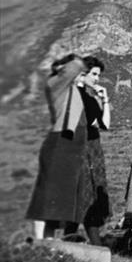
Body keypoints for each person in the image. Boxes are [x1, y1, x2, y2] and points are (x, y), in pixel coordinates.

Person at [26, 55, 89, 240]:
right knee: (47, 194)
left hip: (71, 149)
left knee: (60, 198)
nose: (80, 76)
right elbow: (76, 65)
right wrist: (66, 62)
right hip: (59, 144)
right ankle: (39, 240)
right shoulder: (56, 85)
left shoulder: (74, 91)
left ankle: (49, 241)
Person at [73, 56, 112, 245]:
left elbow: (105, 125)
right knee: (86, 196)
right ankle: (94, 245)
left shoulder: (88, 98)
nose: (97, 79)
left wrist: (105, 100)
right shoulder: (79, 97)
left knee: (88, 197)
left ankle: (88, 243)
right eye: (94, 74)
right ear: (83, 74)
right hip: (85, 151)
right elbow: (97, 123)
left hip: (92, 150)